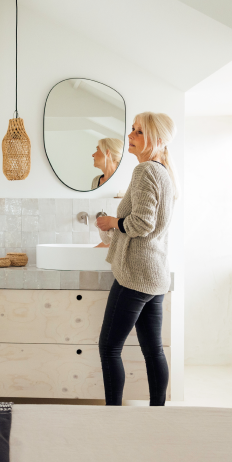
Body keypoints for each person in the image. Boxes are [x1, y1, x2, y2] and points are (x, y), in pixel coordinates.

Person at [95, 112, 178, 406]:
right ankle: (158, 412)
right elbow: (150, 225)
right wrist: (114, 229)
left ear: (157, 140)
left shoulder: (145, 171)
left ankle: (113, 415)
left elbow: (141, 224)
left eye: (138, 132)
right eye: (132, 129)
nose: (130, 135)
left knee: (109, 348)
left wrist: (112, 223)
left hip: (135, 275)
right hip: (155, 275)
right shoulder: (163, 172)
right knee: (153, 350)